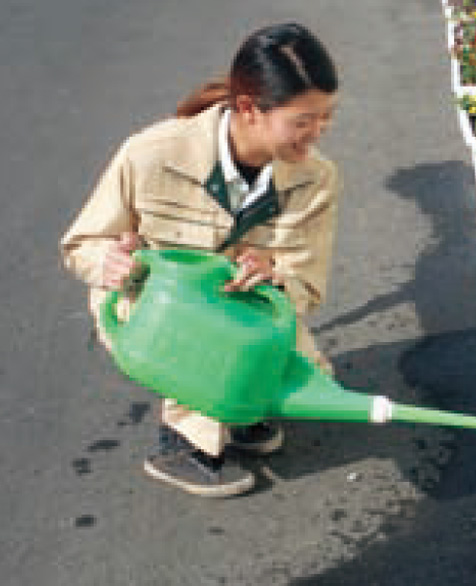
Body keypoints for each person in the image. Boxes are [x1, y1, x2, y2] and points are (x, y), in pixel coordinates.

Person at [60, 23, 340, 498]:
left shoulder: (316, 179)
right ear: (250, 109)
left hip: (235, 310)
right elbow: (82, 243)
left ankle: (240, 411)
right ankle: (186, 445)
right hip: (155, 308)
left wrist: (276, 275)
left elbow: (306, 283)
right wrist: (107, 261)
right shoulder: (152, 152)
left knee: (301, 368)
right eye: (303, 120)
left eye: (326, 117)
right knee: (207, 349)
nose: (316, 133)